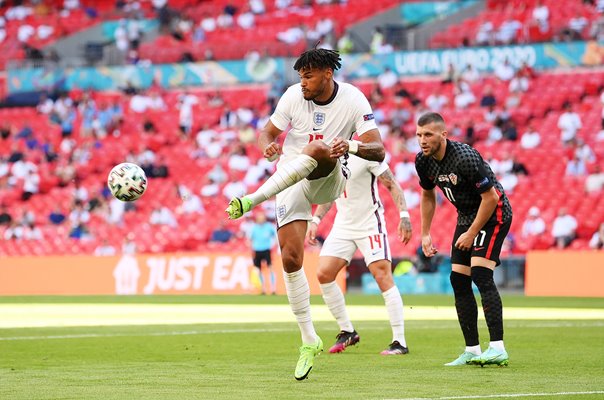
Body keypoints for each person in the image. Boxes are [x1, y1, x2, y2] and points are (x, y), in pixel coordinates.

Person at [225, 47, 386, 380]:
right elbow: (267, 132)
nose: (302, 82)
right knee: (290, 259)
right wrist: (267, 145)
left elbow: (378, 148)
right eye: (300, 76)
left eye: (309, 75)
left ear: (328, 73)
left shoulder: (354, 100)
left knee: (317, 149)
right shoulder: (291, 97)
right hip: (289, 179)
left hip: (329, 178)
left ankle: (252, 199)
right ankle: (309, 339)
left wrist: (351, 146)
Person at [414, 112, 513, 367]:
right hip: (467, 215)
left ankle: (498, 348)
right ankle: (472, 350)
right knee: (458, 280)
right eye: (418, 135)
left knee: (481, 275)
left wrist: (471, 233)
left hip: (494, 213)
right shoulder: (423, 161)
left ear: (443, 135)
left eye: (428, 135)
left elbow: (490, 198)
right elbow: (427, 196)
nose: (422, 140)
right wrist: (425, 233)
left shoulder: (464, 157)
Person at [306, 154, 412, 355]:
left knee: (382, 276)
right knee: (324, 274)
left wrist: (404, 215)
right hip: (343, 225)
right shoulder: (331, 155)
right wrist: (316, 219)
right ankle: (347, 330)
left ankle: (400, 341)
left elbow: (391, 183)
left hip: (370, 224)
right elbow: (330, 194)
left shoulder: (366, 152)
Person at [247, 211, 278, 295]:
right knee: (259, 270)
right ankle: (263, 289)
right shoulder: (254, 228)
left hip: (267, 249)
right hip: (257, 250)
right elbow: (249, 239)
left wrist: (274, 244)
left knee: (270, 268)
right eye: (259, 218)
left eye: (262, 218)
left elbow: (275, 236)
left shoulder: (269, 226)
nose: (260, 219)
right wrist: (251, 247)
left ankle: (273, 288)